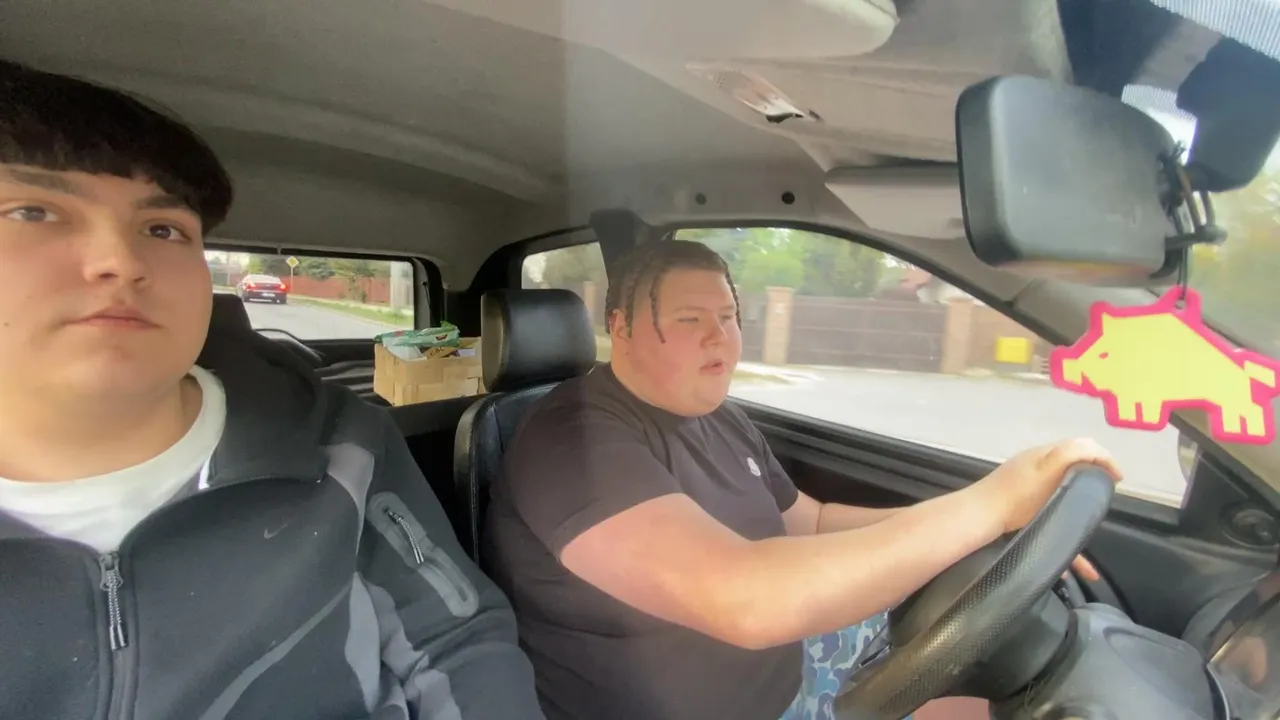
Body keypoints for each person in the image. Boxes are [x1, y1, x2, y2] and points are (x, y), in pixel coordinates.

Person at [0, 60, 543, 719]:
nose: (120, 260)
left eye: (163, 229)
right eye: (33, 211)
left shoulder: (343, 444)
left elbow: (458, 642)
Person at [485, 239, 1122, 720]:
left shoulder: (719, 417)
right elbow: (742, 598)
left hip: (797, 661)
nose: (720, 337)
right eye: (689, 319)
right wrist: (987, 505)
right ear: (621, 327)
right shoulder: (571, 441)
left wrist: (976, 526)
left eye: (729, 316)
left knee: (995, 664)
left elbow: (809, 521)